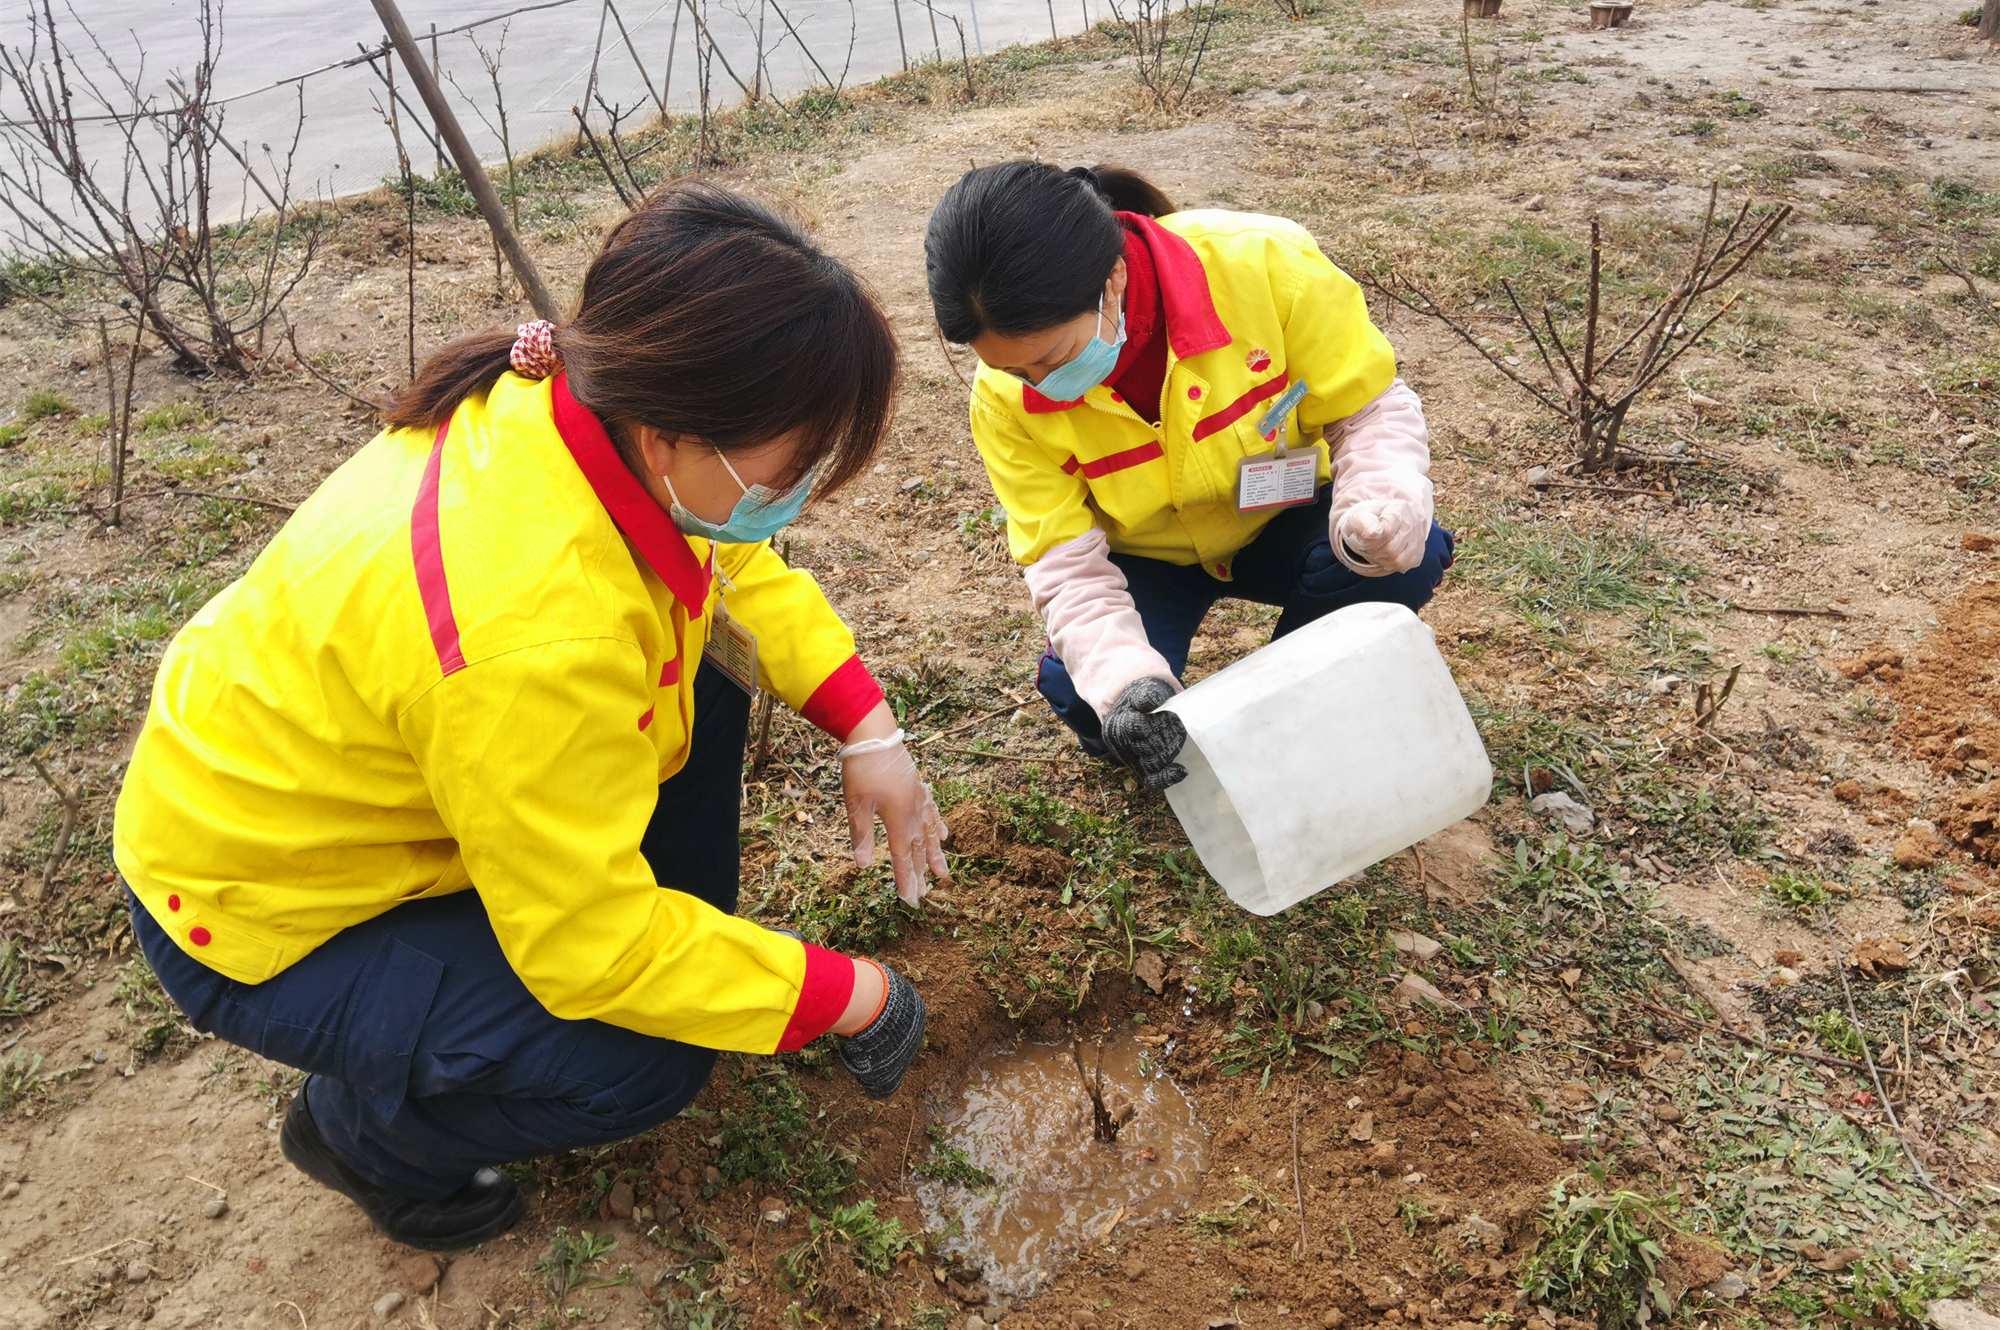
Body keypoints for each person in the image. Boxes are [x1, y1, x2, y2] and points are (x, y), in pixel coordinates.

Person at [112, 182, 948, 1252]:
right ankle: (367, 1138)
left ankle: (671, 954)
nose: (797, 496)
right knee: (639, 1058)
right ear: (669, 432)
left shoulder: (570, 407)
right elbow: (588, 949)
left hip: (374, 781)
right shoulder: (530, 630)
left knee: (705, 672)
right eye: (787, 470)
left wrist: (866, 726)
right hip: (263, 906)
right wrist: (850, 993)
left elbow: (727, 566)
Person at [925, 162, 1453, 789]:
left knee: (1399, 561)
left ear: (1112, 278)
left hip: (1285, 518)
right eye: (1015, 372)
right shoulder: (1002, 402)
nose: (1041, 387)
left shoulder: (1264, 266)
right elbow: (1064, 563)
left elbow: (1367, 409)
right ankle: (1178, 712)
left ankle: (1294, 709)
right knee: (1093, 704)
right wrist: (1126, 684)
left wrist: (1380, 502)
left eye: (1054, 359)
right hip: (1145, 558)